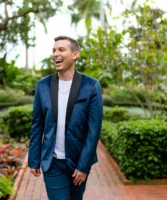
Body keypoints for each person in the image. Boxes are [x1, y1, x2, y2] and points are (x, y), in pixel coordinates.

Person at [28, 35, 103, 200]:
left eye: (61, 49)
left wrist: (83, 166)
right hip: (52, 162)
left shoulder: (91, 86)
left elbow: (93, 130)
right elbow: (36, 125)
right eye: (54, 50)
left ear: (75, 54)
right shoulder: (43, 86)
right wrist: (34, 159)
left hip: (78, 161)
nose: (55, 54)